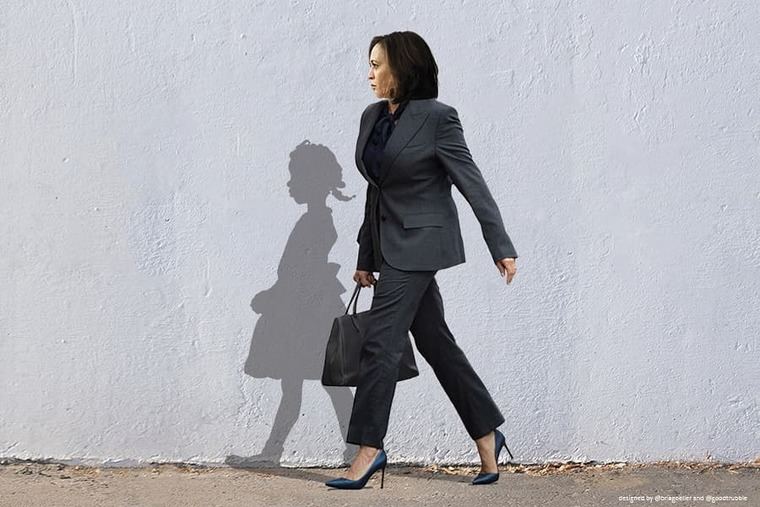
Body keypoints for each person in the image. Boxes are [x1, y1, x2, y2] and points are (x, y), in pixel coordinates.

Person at [325, 31, 519, 490]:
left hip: (420, 247)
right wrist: (365, 255)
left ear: (402, 68)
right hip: (388, 247)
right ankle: (487, 433)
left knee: (381, 345)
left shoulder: (438, 119)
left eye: (377, 64)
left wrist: (501, 245)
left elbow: (471, 182)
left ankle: (368, 449)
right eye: (369, 64)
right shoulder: (372, 116)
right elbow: (378, 189)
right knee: (437, 345)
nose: (369, 73)